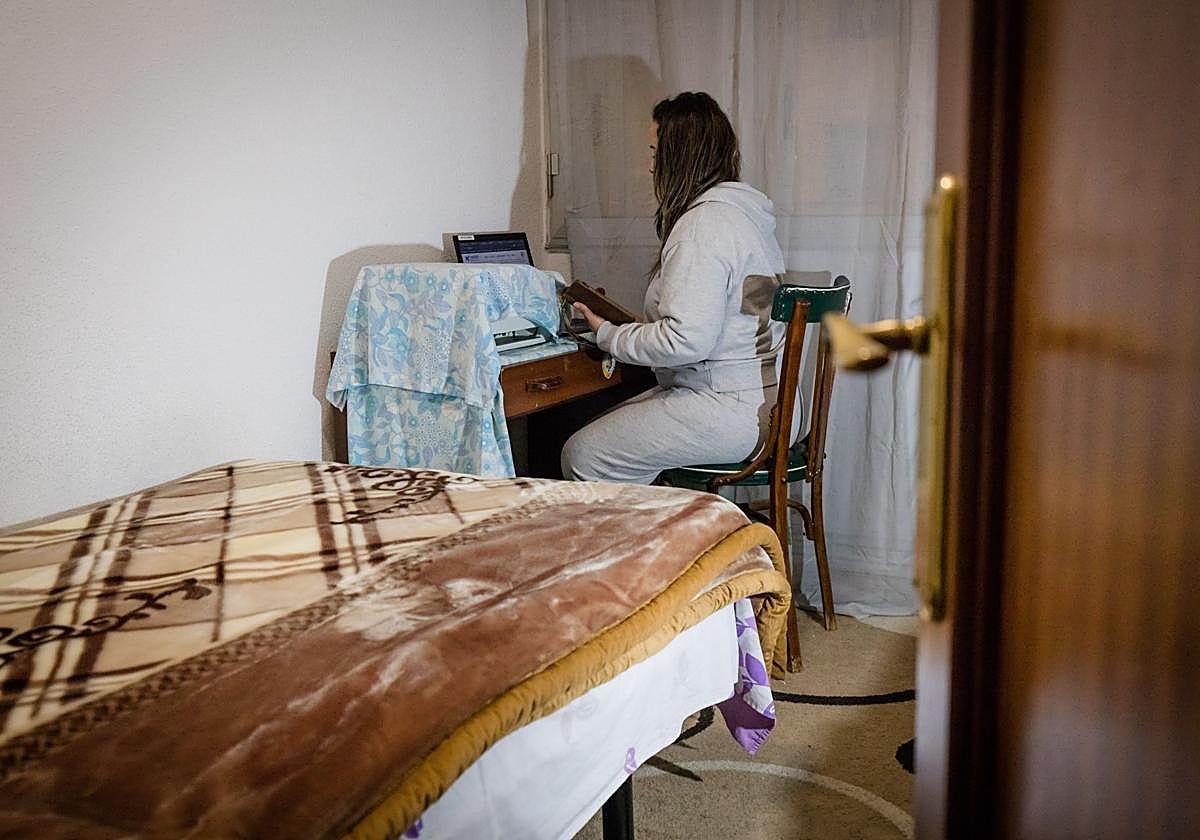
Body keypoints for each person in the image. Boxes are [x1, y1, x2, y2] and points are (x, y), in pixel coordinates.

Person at [561, 91, 787, 484]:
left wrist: (608, 334)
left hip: (733, 410)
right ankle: (672, 531)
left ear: (679, 157)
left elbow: (686, 342)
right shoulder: (746, 217)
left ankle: (654, 544)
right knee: (606, 425)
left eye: (654, 151)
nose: (649, 166)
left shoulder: (702, 227)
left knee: (584, 454)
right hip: (777, 401)